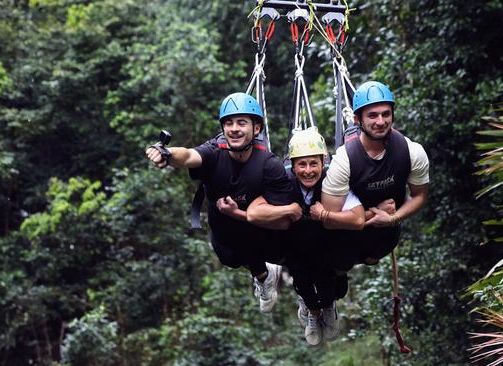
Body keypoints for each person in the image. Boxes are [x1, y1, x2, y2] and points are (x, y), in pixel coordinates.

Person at [145, 92, 300, 313]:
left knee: (283, 248)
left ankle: (309, 295)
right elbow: (188, 156)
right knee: (230, 258)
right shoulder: (214, 151)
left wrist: (245, 213)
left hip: (260, 227)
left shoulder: (268, 164)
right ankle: (264, 276)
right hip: (223, 230)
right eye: (228, 123)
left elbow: (284, 216)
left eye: (241, 123)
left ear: (256, 129)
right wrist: (167, 154)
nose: (234, 128)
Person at [247, 127, 364, 346]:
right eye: (301, 164)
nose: (308, 171)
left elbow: (358, 219)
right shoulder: (284, 181)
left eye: (313, 164)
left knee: (328, 277)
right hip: (295, 246)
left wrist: (325, 214)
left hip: (326, 244)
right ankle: (312, 310)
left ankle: (328, 307)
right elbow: (254, 213)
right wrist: (287, 210)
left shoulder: (333, 180)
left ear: (323, 163)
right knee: (301, 276)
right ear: (292, 165)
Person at [321, 81, 429, 272]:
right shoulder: (344, 160)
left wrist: (393, 218)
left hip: (385, 239)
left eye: (386, 114)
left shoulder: (412, 151)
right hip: (344, 240)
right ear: (357, 119)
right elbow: (329, 219)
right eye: (372, 115)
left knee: (372, 257)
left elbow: (419, 195)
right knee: (337, 268)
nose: (380, 121)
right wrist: (374, 212)